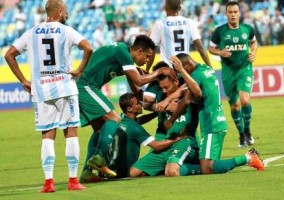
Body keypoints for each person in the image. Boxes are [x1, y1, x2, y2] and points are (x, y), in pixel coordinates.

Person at [4, 0, 93, 193]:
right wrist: (78, 70)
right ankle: (72, 181)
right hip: (65, 88)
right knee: (71, 132)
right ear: (60, 12)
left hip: (42, 91)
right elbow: (88, 47)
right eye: (65, 12)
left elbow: (9, 55)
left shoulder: (31, 32)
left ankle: (48, 183)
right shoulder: (66, 30)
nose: (66, 15)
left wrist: (23, 80)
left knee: (47, 135)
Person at [77, 34, 177, 177]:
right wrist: (158, 72)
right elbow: (139, 80)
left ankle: (87, 172)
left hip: (86, 87)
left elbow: (135, 85)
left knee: (100, 130)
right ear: (139, 51)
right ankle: (99, 158)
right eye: (147, 56)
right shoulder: (122, 52)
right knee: (114, 119)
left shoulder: (122, 53)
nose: (147, 60)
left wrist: (147, 102)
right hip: (86, 87)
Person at [165, 53, 264, 175]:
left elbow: (190, 97)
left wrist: (171, 120)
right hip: (216, 122)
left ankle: (249, 157)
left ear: (188, 65)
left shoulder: (196, 74)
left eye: (183, 71)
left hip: (211, 124)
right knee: (207, 165)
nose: (183, 75)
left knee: (207, 168)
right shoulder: (206, 69)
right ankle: (223, 166)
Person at [80, 92, 185, 182]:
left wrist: (157, 113)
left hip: (107, 171)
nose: (141, 105)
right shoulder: (134, 128)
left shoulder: (119, 119)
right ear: (130, 109)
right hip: (122, 173)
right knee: (156, 162)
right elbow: (156, 146)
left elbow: (139, 120)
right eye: (137, 104)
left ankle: (89, 170)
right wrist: (177, 139)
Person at [130, 70, 200, 177]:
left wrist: (168, 103)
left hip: (184, 141)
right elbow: (145, 103)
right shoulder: (161, 96)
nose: (163, 91)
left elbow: (195, 93)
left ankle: (203, 167)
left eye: (166, 87)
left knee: (171, 172)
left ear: (176, 82)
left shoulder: (189, 93)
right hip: (165, 142)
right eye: (161, 88)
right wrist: (166, 105)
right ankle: (170, 164)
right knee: (134, 172)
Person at [208, 0, 257, 148]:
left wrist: (253, 53)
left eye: (235, 12)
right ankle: (241, 134)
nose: (233, 15)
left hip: (244, 69)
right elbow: (210, 48)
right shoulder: (219, 31)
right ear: (226, 14)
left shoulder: (248, 29)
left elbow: (253, 43)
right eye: (230, 12)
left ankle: (247, 130)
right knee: (235, 106)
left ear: (239, 13)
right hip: (228, 73)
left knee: (245, 100)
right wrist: (220, 52)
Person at [147, 0, 212, 71]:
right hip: (185, 69)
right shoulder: (189, 22)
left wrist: (147, 70)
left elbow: (152, 50)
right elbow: (200, 48)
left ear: (165, 7)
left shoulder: (160, 24)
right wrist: (210, 68)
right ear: (180, 8)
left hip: (169, 70)